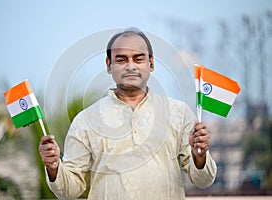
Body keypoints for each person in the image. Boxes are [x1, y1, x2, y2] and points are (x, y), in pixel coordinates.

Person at [39, 28, 217, 199]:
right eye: (122, 60)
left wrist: (199, 156)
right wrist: (54, 167)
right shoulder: (86, 120)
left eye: (138, 59)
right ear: (109, 65)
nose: (131, 66)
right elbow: (70, 190)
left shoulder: (178, 114)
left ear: (151, 63)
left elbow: (203, 180)